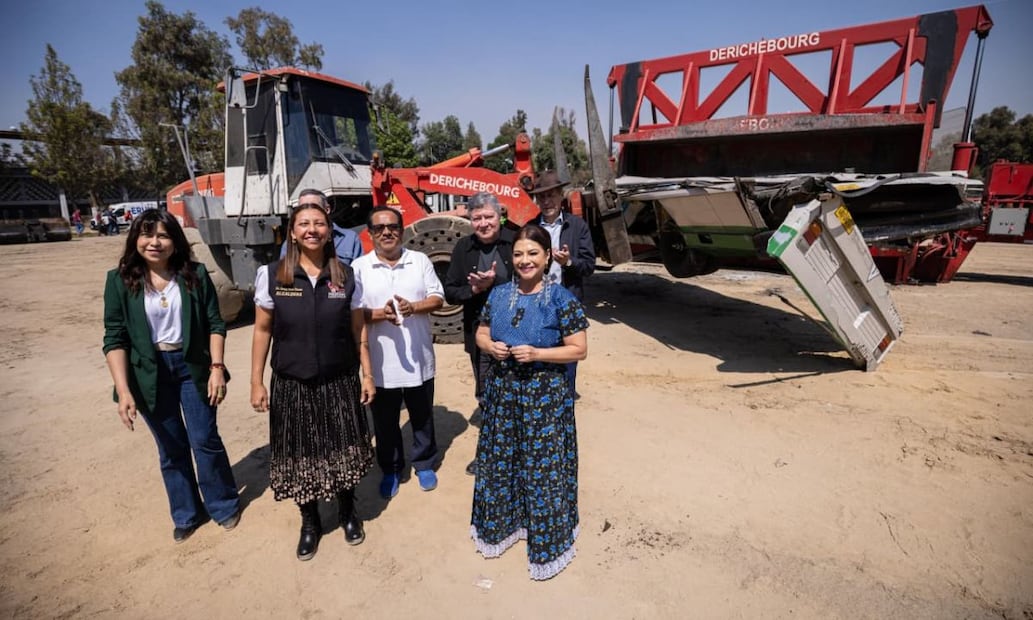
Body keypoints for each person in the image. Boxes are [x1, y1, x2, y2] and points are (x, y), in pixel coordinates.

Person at [102, 209, 241, 544]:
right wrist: (123, 390)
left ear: (175, 241)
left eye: (163, 235)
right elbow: (114, 337)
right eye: (147, 235)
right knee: (171, 447)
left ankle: (222, 504)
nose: (155, 242)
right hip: (148, 373)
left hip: (192, 366)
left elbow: (214, 323)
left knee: (204, 440)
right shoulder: (119, 280)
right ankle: (187, 513)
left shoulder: (194, 274)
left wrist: (217, 368)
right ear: (135, 239)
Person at [250, 197, 375, 561]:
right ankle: (310, 522)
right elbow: (261, 331)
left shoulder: (346, 276)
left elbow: (358, 332)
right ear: (292, 232)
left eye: (318, 224)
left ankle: (348, 512)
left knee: (344, 448)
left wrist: (367, 373)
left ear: (330, 230)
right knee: (300, 453)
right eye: (304, 224)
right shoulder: (273, 275)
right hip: (292, 382)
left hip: (339, 380)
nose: (312, 230)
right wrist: (256, 381)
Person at [470, 223, 589, 580]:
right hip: (503, 393)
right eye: (519, 254)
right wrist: (489, 346)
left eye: (533, 254)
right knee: (502, 461)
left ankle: (548, 541)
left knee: (542, 468)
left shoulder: (561, 299)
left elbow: (579, 350)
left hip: (544, 398)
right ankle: (505, 527)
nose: (525, 260)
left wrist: (538, 352)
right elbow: (481, 332)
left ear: (548, 256)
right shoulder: (499, 294)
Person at [351, 206, 445, 499]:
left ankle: (424, 462)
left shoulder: (419, 261)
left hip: (419, 359)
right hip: (379, 364)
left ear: (401, 230)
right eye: (379, 229)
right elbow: (353, 311)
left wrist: (413, 307)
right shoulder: (359, 268)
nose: (386, 232)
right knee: (385, 421)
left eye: (392, 227)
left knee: (422, 416)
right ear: (370, 234)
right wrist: (380, 313)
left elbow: (438, 297)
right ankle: (391, 468)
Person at [443, 192, 515, 476]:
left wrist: (498, 282)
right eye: (477, 218)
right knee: (486, 394)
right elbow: (450, 291)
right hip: (480, 334)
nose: (484, 223)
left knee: (517, 394)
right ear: (470, 220)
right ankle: (488, 454)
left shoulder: (516, 240)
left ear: (500, 216)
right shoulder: (463, 248)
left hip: (518, 332)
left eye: (489, 216)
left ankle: (517, 455)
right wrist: (474, 290)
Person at [528, 170, 595, 398]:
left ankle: (565, 398)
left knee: (568, 356)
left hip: (568, 301)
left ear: (561, 196)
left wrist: (568, 263)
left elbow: (588, 266)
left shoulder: (577, 227)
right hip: (536, 304)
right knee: (538, 353)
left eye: (551, 195)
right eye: (542, 197)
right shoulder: (530, 229)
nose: (547, 201)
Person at [279, 189, 364, 265]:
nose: (309, 211)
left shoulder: (350, 239)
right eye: (303, 208)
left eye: (314, 207)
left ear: (327, 209)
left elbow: (358, 276)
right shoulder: (289, 245)